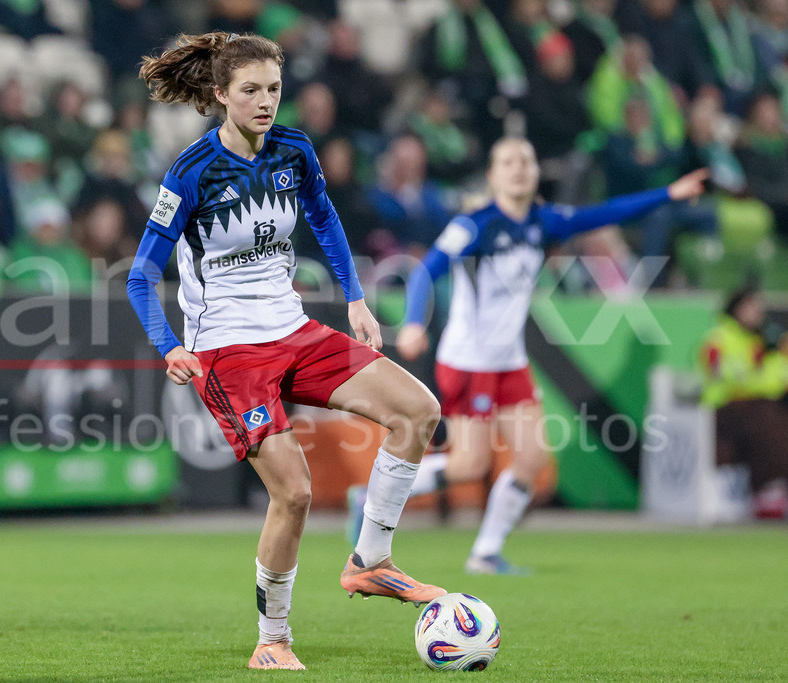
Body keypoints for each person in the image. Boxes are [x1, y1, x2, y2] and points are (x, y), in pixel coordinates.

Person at [126, 32, 447, 671]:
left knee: (418, 412)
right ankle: (272, 638)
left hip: (294, 330)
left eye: (274, 89)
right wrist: (169, 346)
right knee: (294, 493)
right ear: (220, 95)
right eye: (251, 91)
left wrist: (355, 299)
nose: (266, 102)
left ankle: (371, 561)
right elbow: (140, 276)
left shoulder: (295, 151)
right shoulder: (190, 173)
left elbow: (324, 217)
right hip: (229, 351)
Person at [348, 137, 708, 575]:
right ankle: (371, 496)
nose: (518, 168)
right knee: (469, 463)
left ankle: (485, 553)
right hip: (468, 360)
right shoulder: (475, 224)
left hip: (510, 361)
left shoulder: (545, 222)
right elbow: (426, 271)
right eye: (508, 162)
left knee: (532, 459)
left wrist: (668, 194)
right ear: (494, 175)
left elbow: (606, 213)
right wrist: (413, 322)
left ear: (536, 172)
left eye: (525, 161)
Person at [698, 283, 788, 518]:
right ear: (737, 308)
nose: (758, 313)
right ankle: (767, 488)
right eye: (752, 307)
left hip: (756, 408)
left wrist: (776, 359)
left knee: (770, 415)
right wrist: (765, 378)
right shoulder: (718, 340)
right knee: (767, 420)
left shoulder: (760, 343)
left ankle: (772, 489)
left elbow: (777, 378)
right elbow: (732, 379)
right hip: (723, 410)